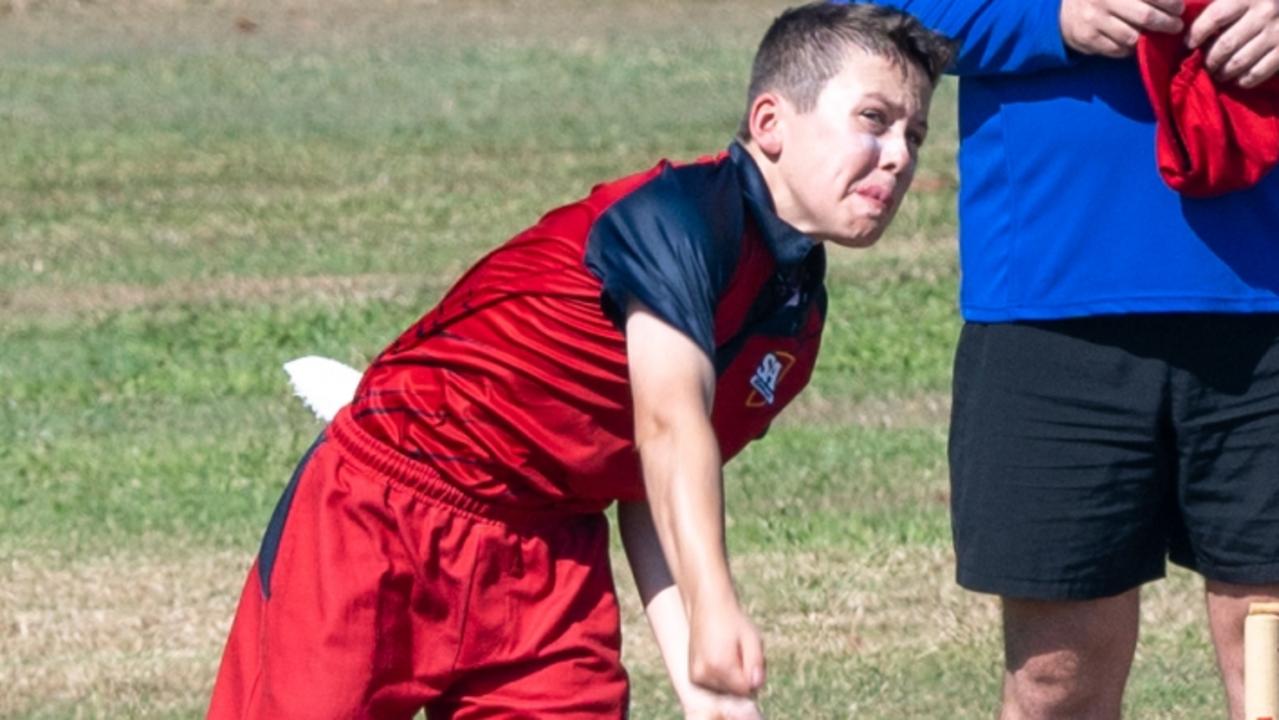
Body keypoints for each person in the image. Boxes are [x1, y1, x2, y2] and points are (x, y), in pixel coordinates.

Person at [206, 4, 954, 718]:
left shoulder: (794, 314)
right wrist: (715, 601)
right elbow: (667, 425)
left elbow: (652, 487)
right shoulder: (678, 219)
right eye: (873, 120)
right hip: (382, 517)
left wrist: (705, 685)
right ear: (769, 123)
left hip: (549, 558)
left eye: (914, 135)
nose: (897, 155)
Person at [850, 0, 1279, 717]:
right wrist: (1050, 17)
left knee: (1269, 665)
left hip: (1265, 304)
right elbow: (883, 11)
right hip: (1049, 296)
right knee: (1054, 683)